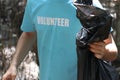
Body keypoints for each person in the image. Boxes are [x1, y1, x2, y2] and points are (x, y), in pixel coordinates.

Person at [2, 0, 118, 80]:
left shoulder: (89, 4)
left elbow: (112, 49)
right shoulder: (34, 2)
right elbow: (28, 34)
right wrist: (14, 65)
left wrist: (105, 52)